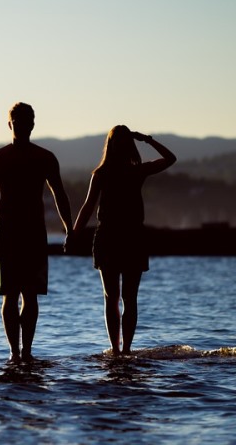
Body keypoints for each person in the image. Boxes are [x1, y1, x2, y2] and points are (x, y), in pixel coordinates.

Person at [70, 125, 176, 356]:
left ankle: (119, 350)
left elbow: (88, 207)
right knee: (127, 298)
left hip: (118, 236)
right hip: (124, 236)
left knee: (114, 298)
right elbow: (170, 158)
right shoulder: (129, 172)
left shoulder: (114, 172)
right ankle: (123, 350)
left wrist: (74, 234)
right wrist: (147, 140)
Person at [0, 102, 73, 363]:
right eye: (18, 122)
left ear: (31, 125)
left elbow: (60, 196)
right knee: (14, 295)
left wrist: (70, 229)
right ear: (11, 124)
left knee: (26, 295)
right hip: (10, 230)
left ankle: (24, 352)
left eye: (24, 122)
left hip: (30, 230)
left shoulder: (43, 157)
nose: (21, 126)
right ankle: (16, 353)